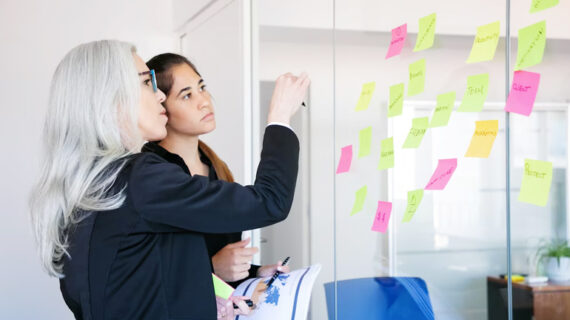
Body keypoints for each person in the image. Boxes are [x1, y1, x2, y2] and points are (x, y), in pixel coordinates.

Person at [29, 40, 309, 319]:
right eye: (145, 83)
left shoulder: (92, 187)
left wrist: (208, 299)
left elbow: (139, 289)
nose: (159, 96)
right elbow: (270, 201)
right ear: (111, 99)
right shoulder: (139, 178)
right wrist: (280, 118)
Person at [144, 53, 289, 288]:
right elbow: (145, 276)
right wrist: (211, 266)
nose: (204, 101)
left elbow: (222, 267)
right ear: (161, 107)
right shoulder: (151, 175)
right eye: (187, 95)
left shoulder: (215, 167)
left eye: (202, 87)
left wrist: (255, 272)